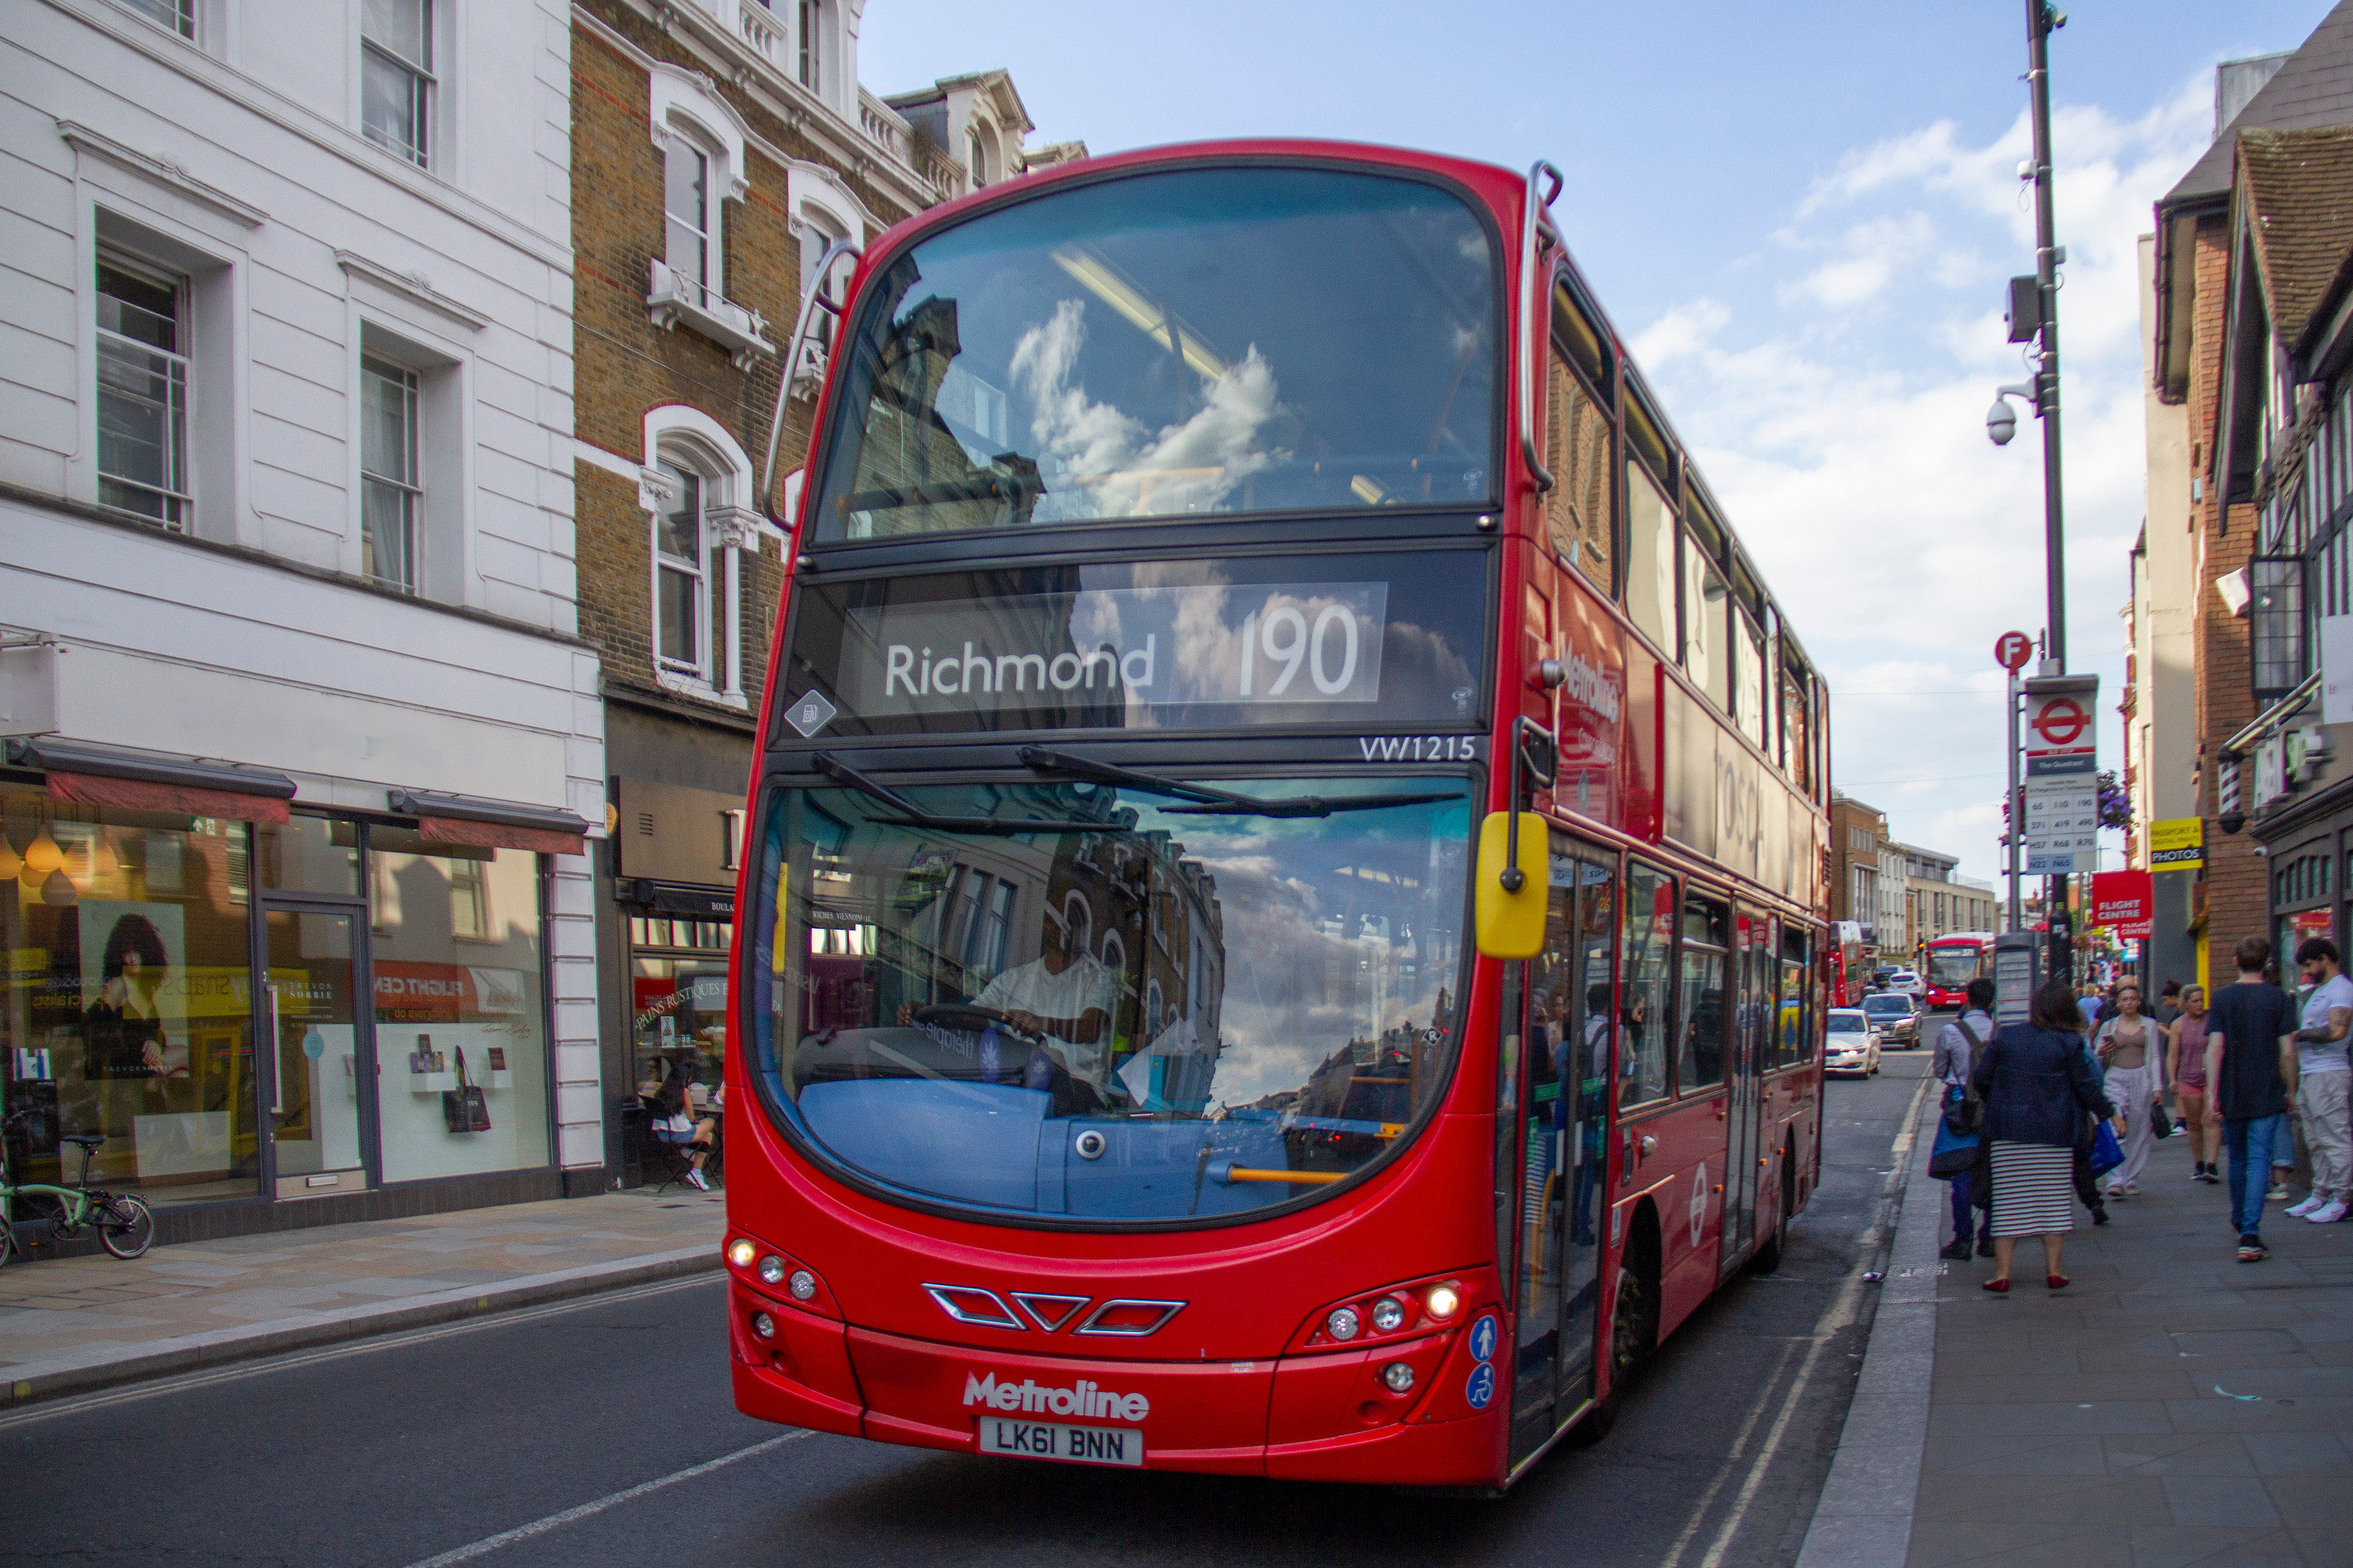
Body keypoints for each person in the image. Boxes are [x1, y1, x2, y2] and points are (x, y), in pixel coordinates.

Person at [1973, 979, 2117, 1292]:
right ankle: (2054, 1272)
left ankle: (2002, 1275)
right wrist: (2109, 1113)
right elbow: (2086, 1086)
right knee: (2053, 1202)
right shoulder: (2070, 1043)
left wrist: (1998, 1099)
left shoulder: (2007, 1036)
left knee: (2008, 1203)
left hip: (2008, 1133)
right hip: (2055, 1134)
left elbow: (1981, 1078)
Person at [2204, 936, 2301, 1262]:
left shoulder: (2222, 998)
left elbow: (2215, 1048)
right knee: (2261, 1158)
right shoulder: (2279, 998)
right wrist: (2291, 1090)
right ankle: (2250, 1232)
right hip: (2267, 1089)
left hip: (2233, 1089)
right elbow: (2288, 1052)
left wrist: (2212, 1094)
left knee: (2238, 1158)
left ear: (2236, 961)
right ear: (2267, 963)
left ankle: (2239, 1219)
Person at [2286, 937, 2352, 1224]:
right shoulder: (2320, 991)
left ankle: (2343, 1197)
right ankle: (2321, 1192)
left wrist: (2300, 1036)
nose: (2307, 971)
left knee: (2334, 1137)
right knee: (2315, 1139)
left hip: (2329, 1073)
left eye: (2310, 965)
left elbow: (2337, 1031)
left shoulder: (2341, 989)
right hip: (2312, 1073)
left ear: (2326, 959)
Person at [1931, 977, 1996, 1260]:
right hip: (1994, 1108)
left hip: (1961, 1108)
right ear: (1992, 1002)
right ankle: (1989, 1237)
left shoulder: (1951, 1031)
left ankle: (1962, 1239)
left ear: (1967, 999)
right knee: (1994, 1172)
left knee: (1961, 1173)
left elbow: (1940, 1070)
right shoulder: (2000, 1031)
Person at [2093, 984, 2161, 1198]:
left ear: (2139, 1002)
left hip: (2141, 1078)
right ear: (2119, 1004)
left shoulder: (2149, 1025)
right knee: (2116, 1125)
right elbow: (2097, 1055)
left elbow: (2155, 1056)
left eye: (2133, 998)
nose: (2129, 1002)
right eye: (2125, 999)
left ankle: (2130, 1178)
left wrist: (2157, 1087)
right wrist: (2101, 1051)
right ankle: (2115, 1180)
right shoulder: (2109, 1026)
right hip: (2116, 1077)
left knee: (2139, 1130)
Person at [2166, 984, 2219, 1182]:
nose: (2199, 1004)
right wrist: (2172, 1079)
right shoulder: (2178, 1025)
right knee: (2194, 1123)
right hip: (2188, 1078)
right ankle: (2199, 1163)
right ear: (2186, 1003)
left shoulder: (2212, 1020)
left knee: (2211, 1120)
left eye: (2202, 1000)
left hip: (2211, 1078)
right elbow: (2173, 1055)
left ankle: (2212, 1165)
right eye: (2195, 1001)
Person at [649, 1055, 717, 1190]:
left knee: (707, 1136)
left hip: (663, 1134)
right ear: (686, 1079)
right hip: (680, 1135)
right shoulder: (684, 1092)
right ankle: (693, 1166)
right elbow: (691, 1118)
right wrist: (698, 1121)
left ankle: (695, 1169)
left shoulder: (662, 1091)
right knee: (710, 1121)